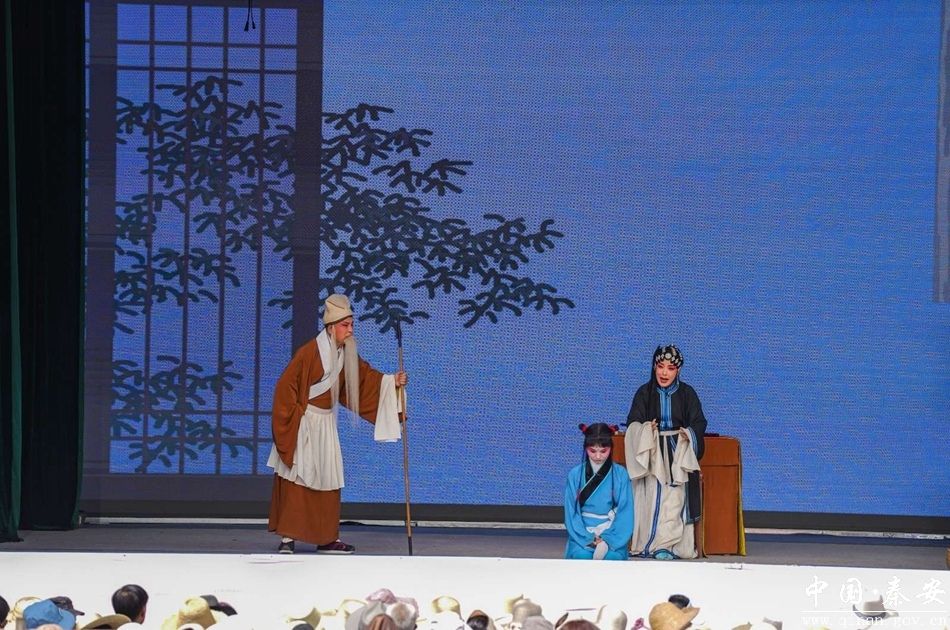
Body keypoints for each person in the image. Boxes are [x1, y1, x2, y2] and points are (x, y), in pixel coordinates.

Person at [267, 293, 408, 554]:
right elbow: (285, 388)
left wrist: (392, 382)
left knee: (327, 479)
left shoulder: (346, 354)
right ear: (331, 327)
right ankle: (288, 538)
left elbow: (366, 380)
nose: (350, 329)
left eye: (352, 324)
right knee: (298, 477)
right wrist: (292, 422)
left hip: (326, 424)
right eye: (345, 325)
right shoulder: (309, 353)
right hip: (305, 422)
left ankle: (327, 537)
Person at [624, 345, 707, 559]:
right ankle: (651, 544)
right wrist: (645, 429)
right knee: (653, 498)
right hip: (652, 454)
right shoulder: (644, 393)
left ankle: (670, 546)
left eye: (670, 368)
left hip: (678, 454)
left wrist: (688, 434)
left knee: (675, 499)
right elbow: (633, 423)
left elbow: (699, 422)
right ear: (654, 367)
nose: (664, 373)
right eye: (660, 366)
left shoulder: (687, 394)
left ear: (678, 370)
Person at [564, 422, 634, 560]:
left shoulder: (621, 474)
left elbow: (625, 511)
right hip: (583, 531)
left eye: (603, 451)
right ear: (585, 448)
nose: (597, 456)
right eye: (592, 451)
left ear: (611, 448)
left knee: (612, 557)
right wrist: (588, 537)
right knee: (582, 555)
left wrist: (607, 538)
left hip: (612, 530)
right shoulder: (575, 474)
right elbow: (571, 512)